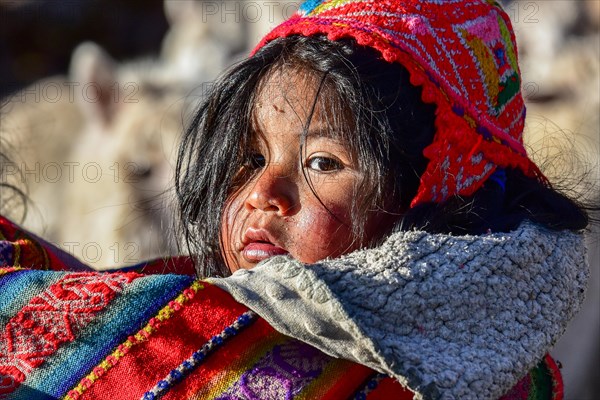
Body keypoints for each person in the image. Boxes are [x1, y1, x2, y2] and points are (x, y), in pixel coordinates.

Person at [0, 0, 592, 399]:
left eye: (321, 164)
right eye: (251, 159)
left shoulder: (227, 345)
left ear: (431, 196)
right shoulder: (515, 364)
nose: (262, 193)